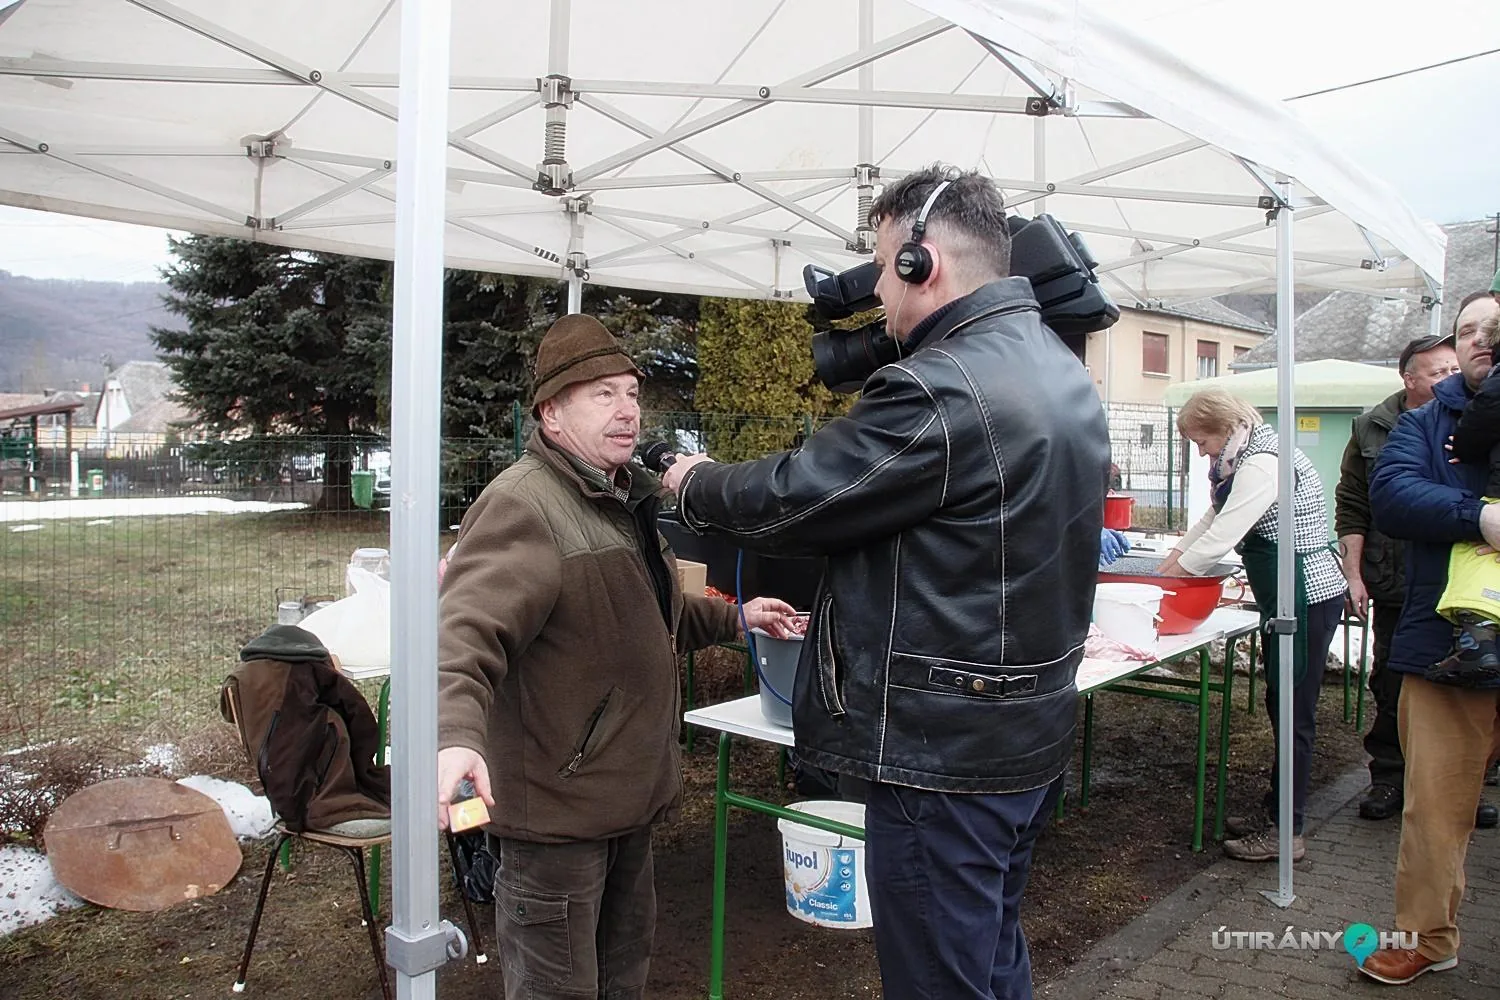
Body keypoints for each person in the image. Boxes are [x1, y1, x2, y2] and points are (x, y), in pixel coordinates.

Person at [662, 165, 1110, 1000]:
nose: (879, 299)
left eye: (880, 270)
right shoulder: (1055, 363)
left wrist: (694, 481)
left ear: (920, 262)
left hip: (942, 754)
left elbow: (798, 498)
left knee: (942, 980)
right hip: (1023, 732)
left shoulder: (943, 387)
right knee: (989, 958)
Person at [435, 314, 796, 1000]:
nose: (627, 409)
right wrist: (454, 739)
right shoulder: (523, 506)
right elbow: (465, 637)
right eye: (602, 394)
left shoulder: (621, 497)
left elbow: (657, 610)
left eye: (631, 392)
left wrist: (736, 616)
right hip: (558, 819)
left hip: (629, 799)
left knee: (621, 981)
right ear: (552, 412)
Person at [1363, 291, 1500, 985]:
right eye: (1466, 328)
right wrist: (1479, 517)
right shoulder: (1424, 424)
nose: (1480, 338)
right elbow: (1391, 497)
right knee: (1436, 805)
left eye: (1492, 327)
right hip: (1444, 643)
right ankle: (1427, 937)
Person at [1157, 389, 1346, 862]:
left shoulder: (1263, 461)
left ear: (1223, 425)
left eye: (1201, 441)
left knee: (1293, 712)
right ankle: (1277, 808)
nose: (1201, 451)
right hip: (1283, 595)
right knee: (1279, 701)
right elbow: (1211, 517)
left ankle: (1288, 830)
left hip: (1305, 595)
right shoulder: (1242, 458)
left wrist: (1170, 579)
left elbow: (1226, 533)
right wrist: (1170, 562)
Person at [1334, 334, 1460, 821]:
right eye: (1437, 372)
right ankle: (1388, 777)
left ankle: (1457, 786)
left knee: (1460, 677)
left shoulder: (1474, 419)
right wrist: (1355, 576)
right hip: (1392, 578)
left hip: (1456, 577)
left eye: (1454, 369)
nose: (1449, 377)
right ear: (1409, 379)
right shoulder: (1371, 426)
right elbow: (1352, 506)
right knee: (1391, 679)